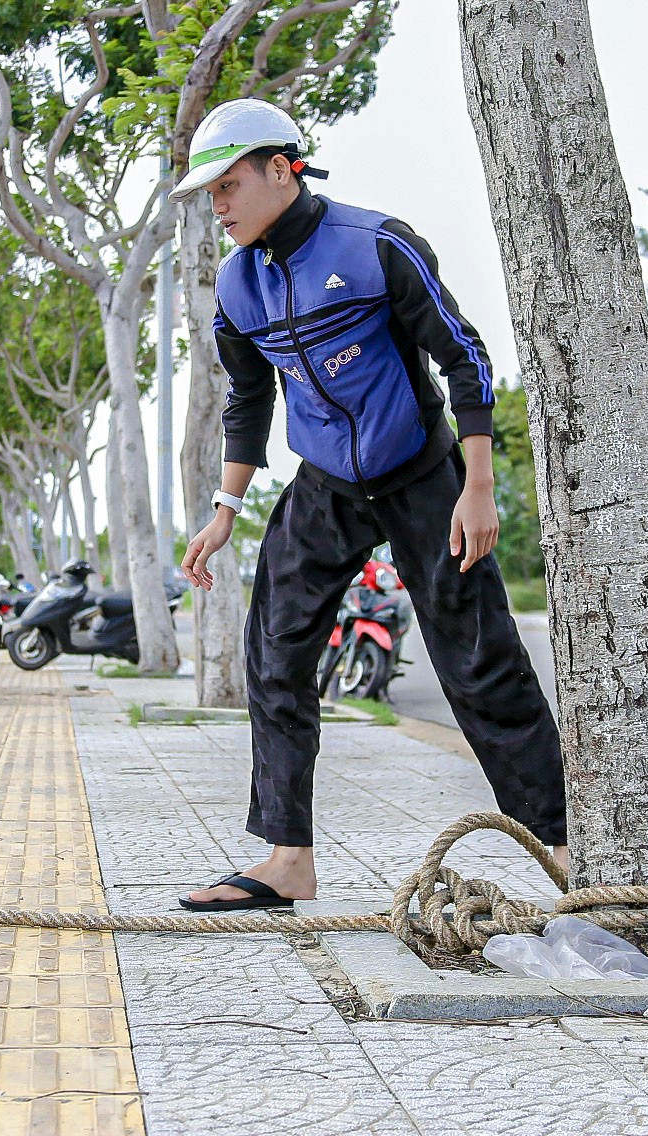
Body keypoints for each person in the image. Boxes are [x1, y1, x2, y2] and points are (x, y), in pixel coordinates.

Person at [174, 99, 569, 910]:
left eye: (229, 184)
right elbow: (248, 399)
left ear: (282, 169)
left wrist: (478, 484)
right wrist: (226, 508)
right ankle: (288, 860)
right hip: (323, 486)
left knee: (477, 659)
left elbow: (465, 359)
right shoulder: (238, 283)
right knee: (275, 652)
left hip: (423, 473)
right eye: (208, 191)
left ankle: (561, 844)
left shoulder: (375, 244)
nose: (218, 204)